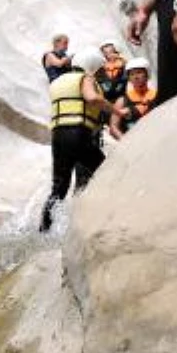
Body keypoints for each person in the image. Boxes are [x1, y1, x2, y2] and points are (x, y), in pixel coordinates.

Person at [40, 50, 129, 232]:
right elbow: (92, 98)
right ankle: (112, 219)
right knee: (107, 172)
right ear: (91, 66)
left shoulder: (59, 81)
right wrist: (117, 112)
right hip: (77, 134)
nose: (100, 73)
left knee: (59, 189)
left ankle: (44, 229)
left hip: (58, 137)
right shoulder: (85, 78)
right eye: (99, 70)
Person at [109, 57, 157, 140]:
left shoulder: (157, 95)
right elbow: (113, 127)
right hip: (134, 141)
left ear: (147, 74)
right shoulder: (122, 101)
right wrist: (126, 142)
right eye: (132, 74)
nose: (135, 77)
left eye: (139, 72)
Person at [97, 39, 128, 104]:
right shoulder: (101, 64)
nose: (109, 54)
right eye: (106, 52)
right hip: (106, 91)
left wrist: (120, 58)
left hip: (120, 89)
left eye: (111, 51)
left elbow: (128, 69)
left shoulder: (122, 61)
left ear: (116, 51)